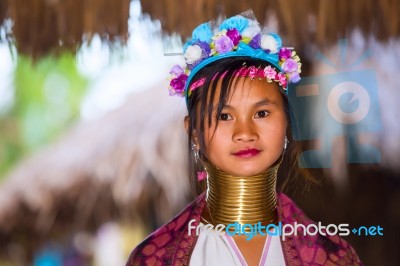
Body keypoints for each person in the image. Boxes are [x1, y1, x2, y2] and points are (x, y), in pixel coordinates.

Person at [126, 11, 362, 266]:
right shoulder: (154, 259)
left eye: (261, 113)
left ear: (286, 123)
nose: (245, 133)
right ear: (194, 133)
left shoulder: (333, 257)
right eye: (224, 116)